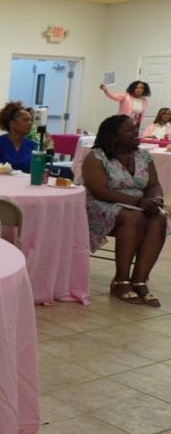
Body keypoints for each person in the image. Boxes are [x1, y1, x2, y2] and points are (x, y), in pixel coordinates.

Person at [83, 115, 166, 307]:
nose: (136, 132)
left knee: (159, 219)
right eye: (129, 130)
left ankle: (139, 280)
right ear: (113, 136)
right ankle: (121, 280)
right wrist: (138, 202)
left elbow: (154, 185)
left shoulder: (144, 156)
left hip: (138, 204)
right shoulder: (96, 157)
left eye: (136, 128)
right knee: (134, 218)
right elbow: (100, 190)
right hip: (101, 205)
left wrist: (156, 200)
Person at [0, 102, 36, 173]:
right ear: (12, 124)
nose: (30, 123)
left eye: (31, 120)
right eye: (26, 120)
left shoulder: (32, 145)